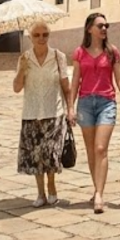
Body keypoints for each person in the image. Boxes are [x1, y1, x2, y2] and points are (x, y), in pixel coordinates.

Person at [69, 12, 120, 214]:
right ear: (89, 29)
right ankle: (97, 189)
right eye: (100, 26)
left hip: (106, 103)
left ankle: (99, 194)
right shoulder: (79, 53)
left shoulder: (112, 52)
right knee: (91, 150)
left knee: (101, 148)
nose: (104, 29)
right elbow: (75, 81)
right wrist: (70, 107)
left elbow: (119, 78)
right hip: (85, 104)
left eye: (106, 26)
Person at [12, 20, 73, 207]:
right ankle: (40, 193)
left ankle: (52, 187)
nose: (41, 38)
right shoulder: (24, 58)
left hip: (54, 111)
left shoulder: (58, 57)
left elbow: (66, 87)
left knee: (51, 153)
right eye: (37, 35)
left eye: (45, 34)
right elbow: (16, 88)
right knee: (36, 155)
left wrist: (70, 109)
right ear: (30, 37)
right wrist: (22, 69)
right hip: (31, 113)